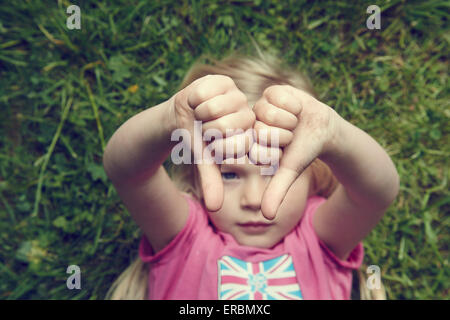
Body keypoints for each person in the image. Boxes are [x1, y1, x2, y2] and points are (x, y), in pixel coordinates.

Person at [103, 44, 398, 300]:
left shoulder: (319, 238)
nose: (254, 199)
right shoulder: (186, 236)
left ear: (312, 175)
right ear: (197, 176)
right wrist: (168, 119)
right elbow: (127, 171)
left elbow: (376, 193)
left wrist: (332, 133)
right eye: (229, 174)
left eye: (275, 172)